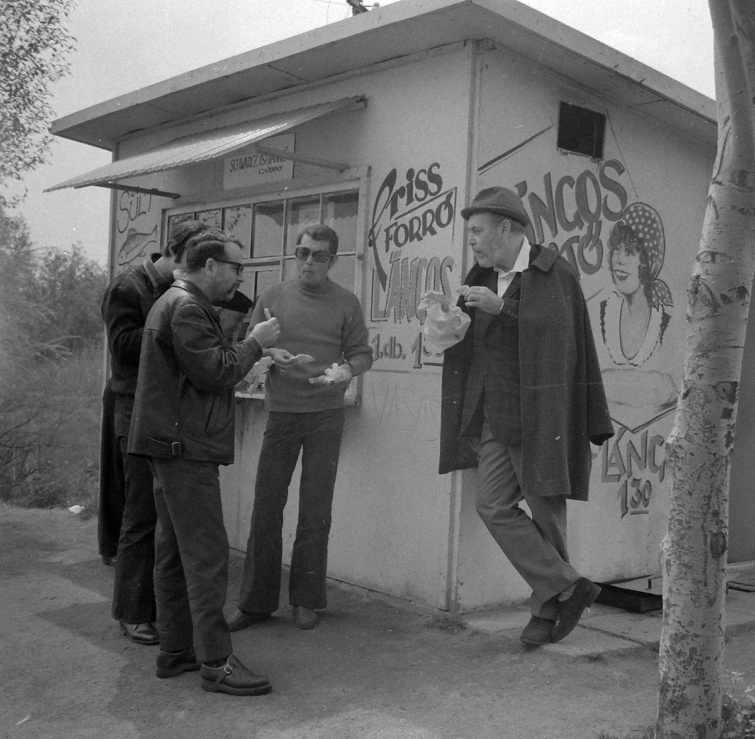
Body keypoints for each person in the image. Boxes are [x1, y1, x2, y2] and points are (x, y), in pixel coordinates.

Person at [439, 187, 614, 647]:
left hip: (543, 413)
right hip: (495, 413)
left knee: (546, 510)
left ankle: (545, 608)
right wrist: (444, 323)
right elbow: (471, 342)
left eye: (477, 231)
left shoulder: (553, 271)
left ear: (507, 228)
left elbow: (559, 339)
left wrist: (504, 309)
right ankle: (568, 585)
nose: (472, 241)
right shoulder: (479, 274)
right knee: (492, 505)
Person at [128, 229, 280, 695]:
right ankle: (216, 662)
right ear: (210, 266)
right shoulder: (189, 307)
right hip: (185, 449)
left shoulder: (173, 301)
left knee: (174, 552)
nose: (240, 276)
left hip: (170, 445)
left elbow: (203, 365)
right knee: (208, 556)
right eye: (236, 267)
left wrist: (263, 354)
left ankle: (177, 650)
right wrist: (255, 343)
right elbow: (215, 371)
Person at [228, 224, 373, 632]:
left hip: (326, 415)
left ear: (333, 261)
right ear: (296, 254)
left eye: (319, 255)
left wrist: (346, 370)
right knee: (267, 505)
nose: (309, 261)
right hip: (283, 412)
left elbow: (362, 353)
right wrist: (273, 354)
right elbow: (252, 346)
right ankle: (256, 603)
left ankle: (307, 600)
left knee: (315, 509)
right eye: (303, 252)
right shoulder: (272, 298)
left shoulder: (347, 303)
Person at [100, 219, 210, 645]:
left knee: (163, 518)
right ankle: (130, 612)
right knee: (141, 515)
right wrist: (171, 324)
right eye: (191, 262)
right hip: (133, 408)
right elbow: (123, 348)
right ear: (174, 252)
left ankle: (158, 611)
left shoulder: (172, 292)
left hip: (165, 409)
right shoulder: (127, 288)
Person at [599, 202, 672, 367]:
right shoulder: (605, 312)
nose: (619, 260)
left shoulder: (662, 321)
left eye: (629, 252)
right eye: (616, 250)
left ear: (647, 262)